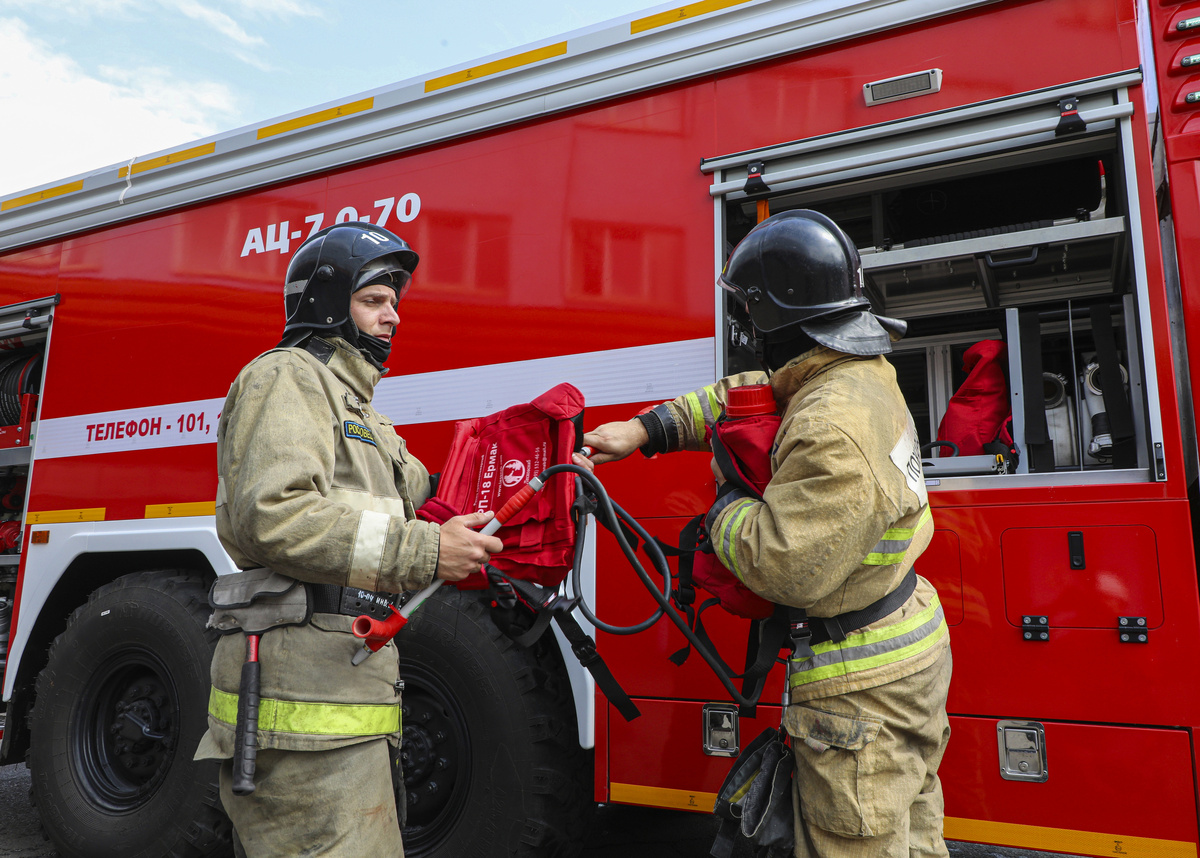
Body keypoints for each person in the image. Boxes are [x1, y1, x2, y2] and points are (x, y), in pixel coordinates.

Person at [582, 210, 952, 858]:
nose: (749, 330)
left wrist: (723, 501)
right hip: (903, 654)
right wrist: (646, 431)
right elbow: (746, 396)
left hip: (858, 690)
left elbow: (781, 565)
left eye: (752, 312)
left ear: (779, 314)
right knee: (910, 840)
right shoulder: (849, 370)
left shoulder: (829, 426)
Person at [194, 222, 503, 858]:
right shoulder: (286, 377)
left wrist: (554, 460)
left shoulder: (365, 417)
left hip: (344, 692)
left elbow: (435, 495)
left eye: (396, 302)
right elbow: (272, 514)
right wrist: (424, 552)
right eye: (374, 300)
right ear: (327, 301)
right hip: (297, 703)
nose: (393, 317)